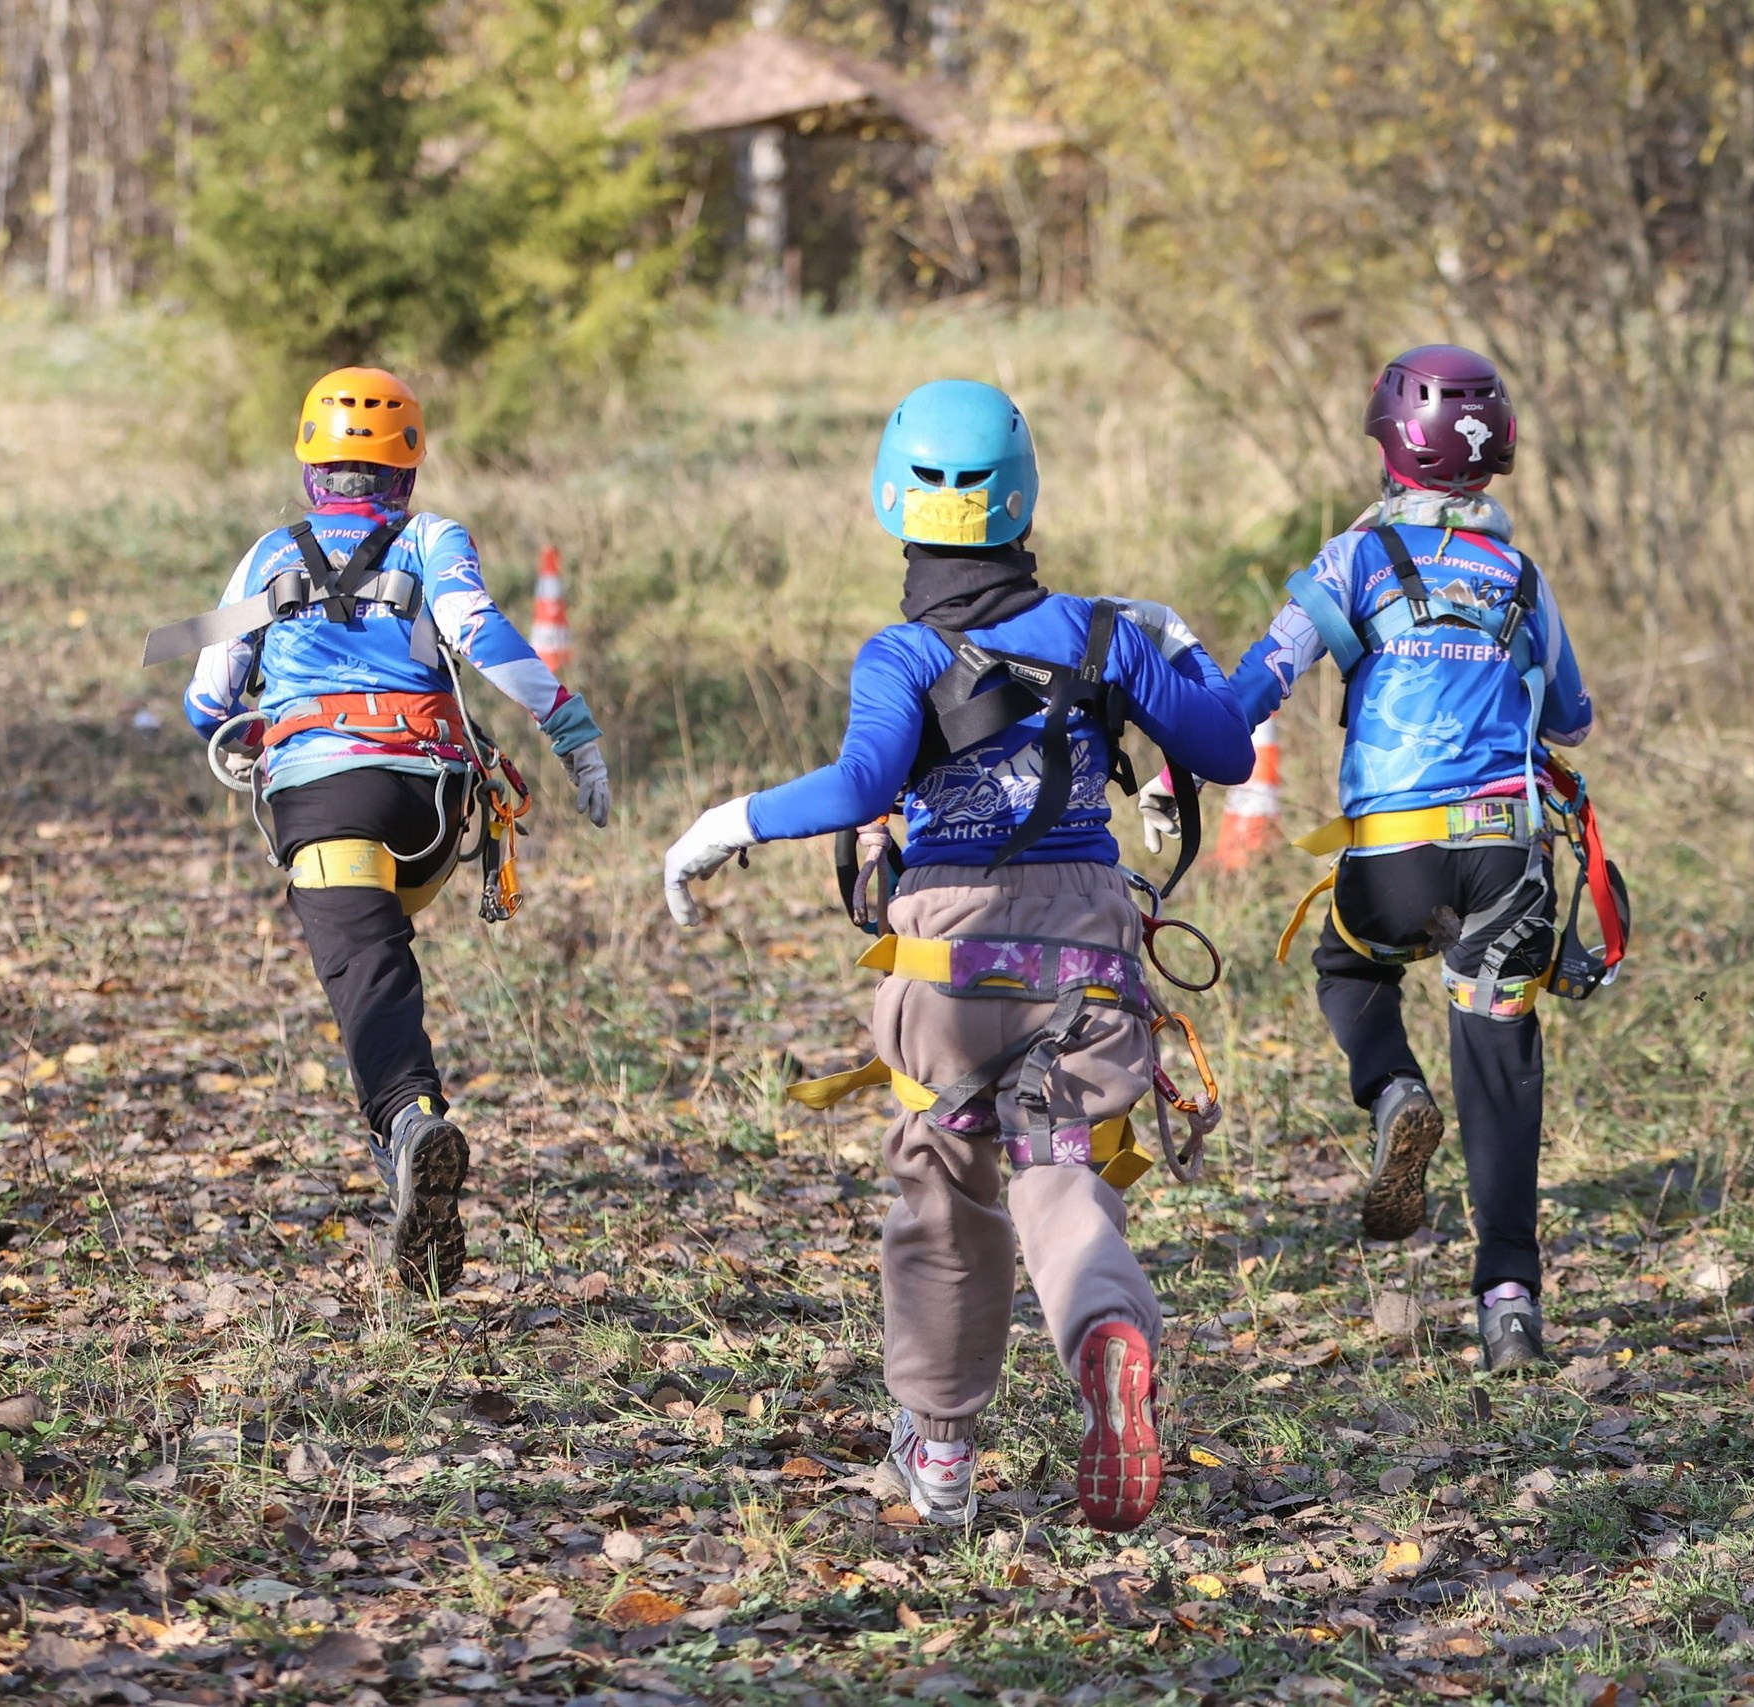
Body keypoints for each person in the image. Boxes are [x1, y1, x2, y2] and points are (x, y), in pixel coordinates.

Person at [661, 380, 1253, 1532]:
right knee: (1065, 1176)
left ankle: (937, 1456)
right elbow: (1223, 744)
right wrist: (1180, 656)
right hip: (1085, 943)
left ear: (893, 501)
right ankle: (1104, 1338)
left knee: (940, 1186)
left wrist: (723, 824)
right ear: (1024, 496)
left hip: (948, 957)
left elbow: (860, 788)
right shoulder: (1105, 632)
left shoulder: (896, 654)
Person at [1166, 344, 1604, 1374]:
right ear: (1493, 456)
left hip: (1393, 855)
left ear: (1385, 441)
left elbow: (1257, 685)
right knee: (1498, 1062)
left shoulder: (1351, 562)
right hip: (1506, 855)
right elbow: (1574, 721)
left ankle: (1393, 1090)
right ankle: (1507, 1305)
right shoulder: (1519, 574)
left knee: (1352, 967)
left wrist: (1182, 741)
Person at [157, 368, 612, 1294]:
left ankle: (410, 1121)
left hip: (325, 798)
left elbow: (206, 694)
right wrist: (569, 725)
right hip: (434, 804)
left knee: (366, 965)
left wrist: (244, 728)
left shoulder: (267, 554)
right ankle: (410, 1169)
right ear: (407, 462)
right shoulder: (435, 538)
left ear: (311, 462)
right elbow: (477, 633)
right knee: (383, 941)